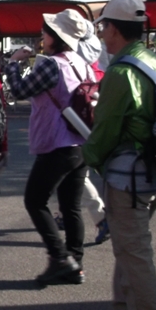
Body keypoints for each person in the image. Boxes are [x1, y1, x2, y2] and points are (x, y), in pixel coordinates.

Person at [83, 0, 156, 310]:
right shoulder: (154, 59)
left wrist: (89, 159)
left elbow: (104, 131)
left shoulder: (120, 73)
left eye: (103, 26)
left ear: (114, 28)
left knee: (135, 252)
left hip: (128, 177)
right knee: (127, 245)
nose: (102, 34)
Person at [5, 8, 94, 285]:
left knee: (35, 200)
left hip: (57, 144)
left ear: (56, 36)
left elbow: (20, 91)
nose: (42, 36)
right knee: (71, 206)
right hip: (81, 140)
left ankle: (59, 258)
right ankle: (75, 264)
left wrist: (13, 63)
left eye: (45, 32)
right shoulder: (82, 64)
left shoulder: (51, 64)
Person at [51, 18, 110, 244]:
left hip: (74, 123)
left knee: (75, 174)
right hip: (88, 121)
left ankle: (101, 217)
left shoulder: (74, 59)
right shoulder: (94, 58)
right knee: (69, 174)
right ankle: (63, 215)